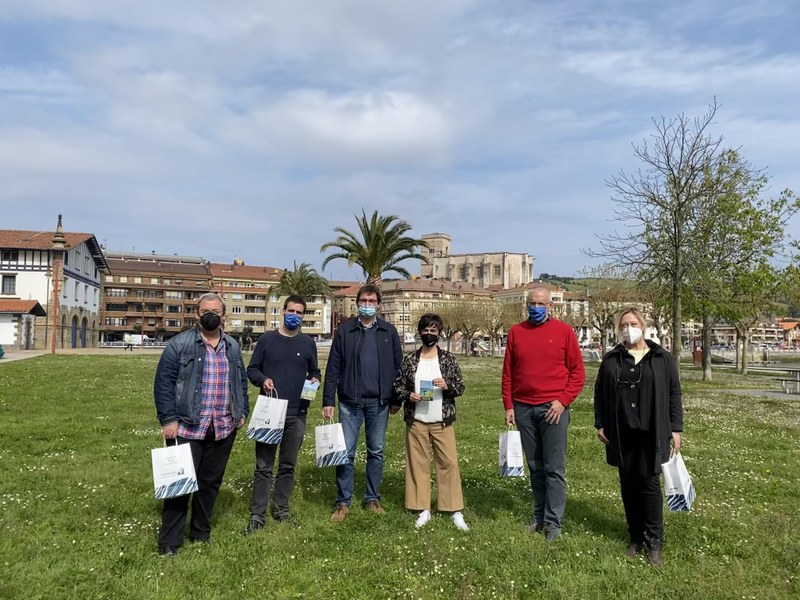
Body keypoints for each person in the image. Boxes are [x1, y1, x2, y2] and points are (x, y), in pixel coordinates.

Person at [153, 292, 249, 555]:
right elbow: (163, 384)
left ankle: (200, 533)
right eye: (205, 311)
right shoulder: (180, 344)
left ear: (223, 315)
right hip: (188, 426)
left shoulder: (232, 346)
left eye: (216, 312)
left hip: (222, 428)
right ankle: (170, 542)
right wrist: (168, 419)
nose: (210, 316)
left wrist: (242, 412)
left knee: (210, 484)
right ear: (197, 314)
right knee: (179, 485)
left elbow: (240, 381)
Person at [594, 307, 683, 566]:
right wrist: (600, 423)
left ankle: (654, 540)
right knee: (628, 485)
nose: (628, 328)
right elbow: (599, 392)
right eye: (623, 324)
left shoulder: (661, 358)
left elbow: (673, 394)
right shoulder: (612, 359)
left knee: (649, 484)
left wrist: (675, 428)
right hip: (621, 432)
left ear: (643, 326)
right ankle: (635, 536)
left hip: (652, 430)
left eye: (633, 323)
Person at [502, 286, 585, 541]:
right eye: (532, 303)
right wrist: (509, 405)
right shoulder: (516, 332)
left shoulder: (564, 332)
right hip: (524, 408)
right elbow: (508, 373)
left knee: (554, 468)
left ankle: (554, 523)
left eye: (541, 304)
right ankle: (538, 515)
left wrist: (562, 401)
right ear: (526, 305)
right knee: (535, 466)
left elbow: (578, 373)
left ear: (551, 306)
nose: (536, 308)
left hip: (553, 409)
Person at [322, 284, 402, 522]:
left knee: (376, 452)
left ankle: (372, 498)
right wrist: (329, 400)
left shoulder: (389, 332)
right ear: (357, 303)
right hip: (350, 403)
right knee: (345, 453)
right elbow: (333, 367)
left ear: (378, 304)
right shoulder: (345, 331)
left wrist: (397, 399)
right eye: (364, 300)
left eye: (372, 301)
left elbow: (399, 368)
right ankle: (342, 502)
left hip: (380, 403)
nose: (368, 305)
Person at [245, 295, 321, 533]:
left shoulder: (308, 344)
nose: (295, 316)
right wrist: (263, 379)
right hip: (270, 413)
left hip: (297, 414)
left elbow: (314, 370)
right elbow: (252, 369)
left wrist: (315, 379)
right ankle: (257, 514)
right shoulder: (267, 340)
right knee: (264, 466)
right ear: (283, 311)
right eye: (291, 311)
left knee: (288, 465)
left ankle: (281, 510)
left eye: (300, 312)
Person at [391, 314, 469, 531]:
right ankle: (421, 507)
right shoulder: (410, 360)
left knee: (449, 464)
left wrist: (447, 385)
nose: (429, 334)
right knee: (417, 464)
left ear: (439, 333)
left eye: (433, 331)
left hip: (442, 420)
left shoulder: (448, 359)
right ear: (420, 332)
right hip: (417, 421)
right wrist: (408, 396)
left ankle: (453, 509)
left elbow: (460, 386)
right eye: (425, 330)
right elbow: (398, 386)